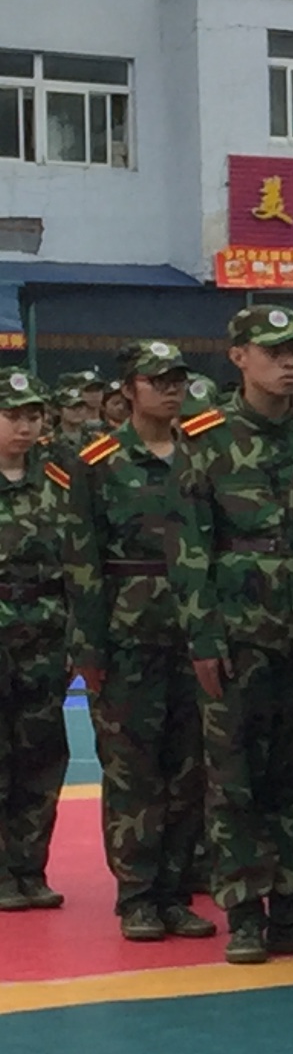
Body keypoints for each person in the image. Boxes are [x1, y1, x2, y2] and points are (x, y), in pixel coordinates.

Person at [176, 300, 293, 965]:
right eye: (273, 353)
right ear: (239, 357)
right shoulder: (208, 439)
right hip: (239, 634)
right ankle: (246, 910)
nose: (288, 365)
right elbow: (190, 548)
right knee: (235, 778)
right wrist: (204, 636)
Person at [63, 340, 212, 940]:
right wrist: (88, 647)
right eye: (157, 380)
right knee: (132, 772)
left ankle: (176, 892)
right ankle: (138, 895)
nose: (171, 390)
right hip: (128, 637)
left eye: (177, 379)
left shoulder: (201, 453)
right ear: (128, 391)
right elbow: (82, 560)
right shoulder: (98, 461)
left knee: (190, 770)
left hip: (196, 634)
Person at [0, 368, 66, 909]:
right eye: (12, 416)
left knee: (41, 756)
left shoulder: (58, 480)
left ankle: (29, 866)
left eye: (33, 417)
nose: (24, 427)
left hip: (46, 633)